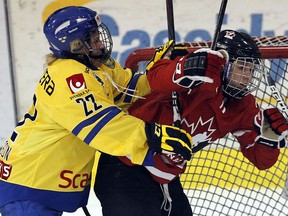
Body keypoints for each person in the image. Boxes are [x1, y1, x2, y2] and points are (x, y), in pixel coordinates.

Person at [0, 6, 193, 216]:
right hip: (30, 184)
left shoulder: (96, 66)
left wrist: (166, 73)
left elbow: (128, 90)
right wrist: (150, 135)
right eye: (93, 38)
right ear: (75, 45)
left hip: (40, 179)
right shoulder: (68, 78)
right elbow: (103, 125)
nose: (100, 42)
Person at [94, 29, 288, 216]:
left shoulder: (243, 106)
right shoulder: (198, 75)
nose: (247, 76)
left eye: (251, 70)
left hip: (165, 178)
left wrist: (269, 138)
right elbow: (155, 77)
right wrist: (180, 67)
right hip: (125, 168)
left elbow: (262, 162)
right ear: (224, 64)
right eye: (242, 68)